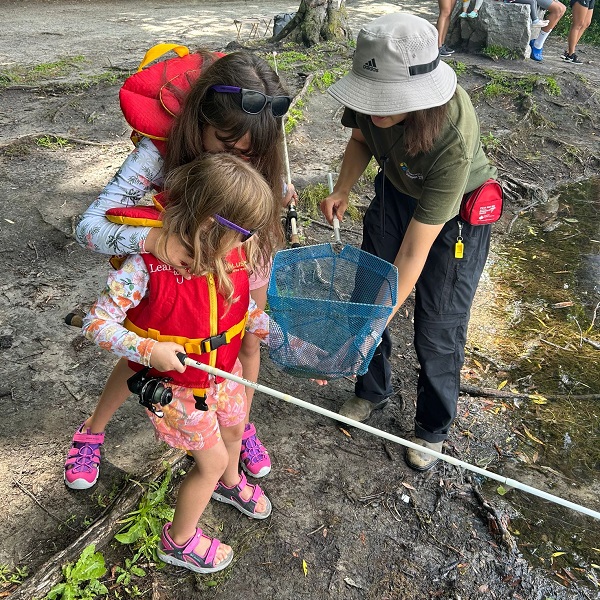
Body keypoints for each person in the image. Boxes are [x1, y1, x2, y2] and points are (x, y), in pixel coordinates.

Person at [65, 49, 294, 490]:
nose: (242, 161)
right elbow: (88, 227)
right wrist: (153, 241)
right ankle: (92, 429)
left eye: (254, 153)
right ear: (200, 122)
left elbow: (275, 180)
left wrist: (279, 191)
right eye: (228, 148)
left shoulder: (263, 127)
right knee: (149, 349)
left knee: (244, 339)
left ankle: (234, 424)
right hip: (180, 260)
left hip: (245, 249)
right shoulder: (159, 151)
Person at [78, 153, 282, 573]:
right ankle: (180, 539)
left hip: (225, 375)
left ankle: (229, 484)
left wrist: (284, 341)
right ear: (211, 224)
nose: (249, 246)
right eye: (246, 234)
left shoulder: (232, 254)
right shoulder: (146, 266)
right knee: (209, 462)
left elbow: (242, 311)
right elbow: (95, 322)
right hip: (181, 394)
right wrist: (148, 351)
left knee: (234, 431)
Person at [323, 13, 499, 471]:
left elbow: (413, 253)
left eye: (388, 99)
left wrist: (371, 325)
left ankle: (432, 427)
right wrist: (343, 188)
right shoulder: (370, 100)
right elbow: (362, 138)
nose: (376, 106)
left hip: (455, 215)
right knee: (368, 293)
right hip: (395, 192)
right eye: (371, 95)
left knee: (439, 324)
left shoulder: (451, 136)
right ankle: (371, 390)